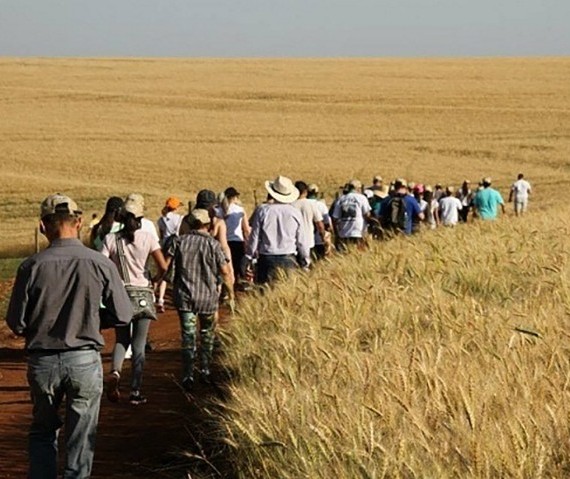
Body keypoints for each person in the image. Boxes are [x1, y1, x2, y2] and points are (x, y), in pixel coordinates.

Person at [6, 194, 132, 479]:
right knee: (81, 439)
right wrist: (95, 321)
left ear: (43, 226)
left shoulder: (31, 266)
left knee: (42, 432)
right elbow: (124, 314)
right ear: (80, 222)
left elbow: (16, 322)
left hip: (43, 361)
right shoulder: (100, 263)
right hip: (85, 359)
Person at [102, 194, 168, 406]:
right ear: (139, 219)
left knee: (122, 340)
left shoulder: (110, 239)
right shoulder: (147, 238)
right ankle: (135, 390)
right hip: (142, 293)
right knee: (139, 345)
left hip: (120, 294)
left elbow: (102, 265)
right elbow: (164, 267)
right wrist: (155, 280)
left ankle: (115, 372)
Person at [165, 208, 234, 390]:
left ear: (190, 223)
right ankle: (205, 370)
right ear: (207, 224)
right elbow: (225, 271)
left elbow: (167, 266)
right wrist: (230, 294)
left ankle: (188, 375)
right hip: (208, 298)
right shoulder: (213, 245)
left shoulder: (179, 242)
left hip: (185, 297)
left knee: (188, 337)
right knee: (207, 335)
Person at [246, 175, 311, 284]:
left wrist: (249, 256)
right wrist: (305, 260)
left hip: (266, 259)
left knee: (263, 294)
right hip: (288, 259)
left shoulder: (262, 211)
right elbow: (302, 242)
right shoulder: (295, 212)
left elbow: (254, 237)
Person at [215, 187, 251, 282]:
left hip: (223, 242)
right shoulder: (240, 210)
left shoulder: (218, 210)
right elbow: (246, 229)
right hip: (237, 242)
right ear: (235, 197)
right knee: (237, 269)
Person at [156, 196, 183, 312]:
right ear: (176, 207)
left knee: (163, 272)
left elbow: (161, 236)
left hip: (165, 246)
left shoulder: (161, 220)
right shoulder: (179, 218)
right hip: (176, 246)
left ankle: (159, 298)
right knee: (179, 271)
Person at [331, 179, 371, 251]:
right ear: (358, 188)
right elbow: (367, 215)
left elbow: (335, 218)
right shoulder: (362, 198)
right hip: (358, 232)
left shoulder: (341, 199)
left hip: (343, 233)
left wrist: (336, 233)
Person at [293, 181, 325, 260]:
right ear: (305, 191)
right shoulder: (311, 204)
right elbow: (319, 224)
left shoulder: (291, 204)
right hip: (309, 241)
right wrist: (323, 236)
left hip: (293, 243)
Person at [307, 183, 333, 259]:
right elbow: (327, 223)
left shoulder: (302, 204)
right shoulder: (321, 205)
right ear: (317, 193)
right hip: (320, 239)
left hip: (307, 240)